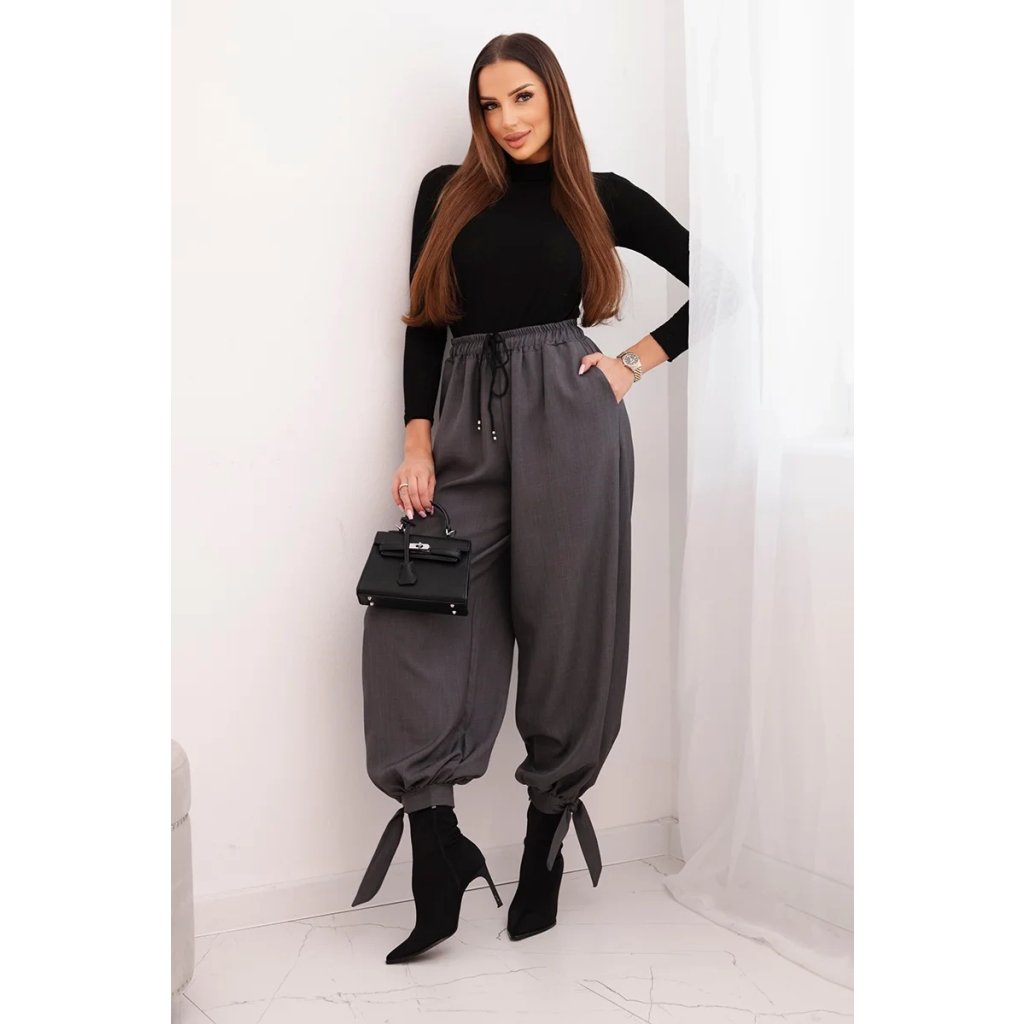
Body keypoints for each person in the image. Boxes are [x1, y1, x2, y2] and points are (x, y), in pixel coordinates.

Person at [353, 32, 690, 965]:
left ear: (555, 98)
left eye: (523, 98)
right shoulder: (446, 192)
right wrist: (416, 440)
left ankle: (547, 833)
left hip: (571, 418)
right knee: (416, 615)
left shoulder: (599, 196)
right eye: (490, 104)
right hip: (465, 422)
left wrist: (632, 362)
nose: (507, 120)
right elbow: (425, 322)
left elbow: (731, 282)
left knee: (568, 625)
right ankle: (438, 847)